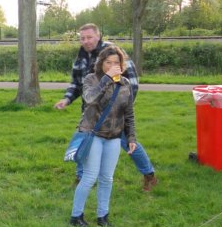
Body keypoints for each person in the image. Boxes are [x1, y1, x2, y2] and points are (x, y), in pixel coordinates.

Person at [54, 23, 158, 192]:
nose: (86, 41)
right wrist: (66, 99)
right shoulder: (81, 57)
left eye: (89, 37)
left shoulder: (113, 52)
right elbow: (77, 84)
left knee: (128, 143)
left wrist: (123, 109)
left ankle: (149, 175)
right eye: (82, 38)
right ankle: (82, 177)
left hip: (114, 114)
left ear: (98, 36)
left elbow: (132, 82)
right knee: (84, 141)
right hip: (90, 112)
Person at [70, 45, 137, 227]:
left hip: (114, 137)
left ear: (122, 65)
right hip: (93, 134)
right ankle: (76, 217)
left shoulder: (125, 84)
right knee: (90, 177)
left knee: (107, 178)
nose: (113, 65)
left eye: (116, 62)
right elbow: (90, 99)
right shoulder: (92, 79)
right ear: (101, 63)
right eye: (108, 62)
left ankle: (103, 217)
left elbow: (129, 114)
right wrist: (107, 79)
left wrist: (131, 138)